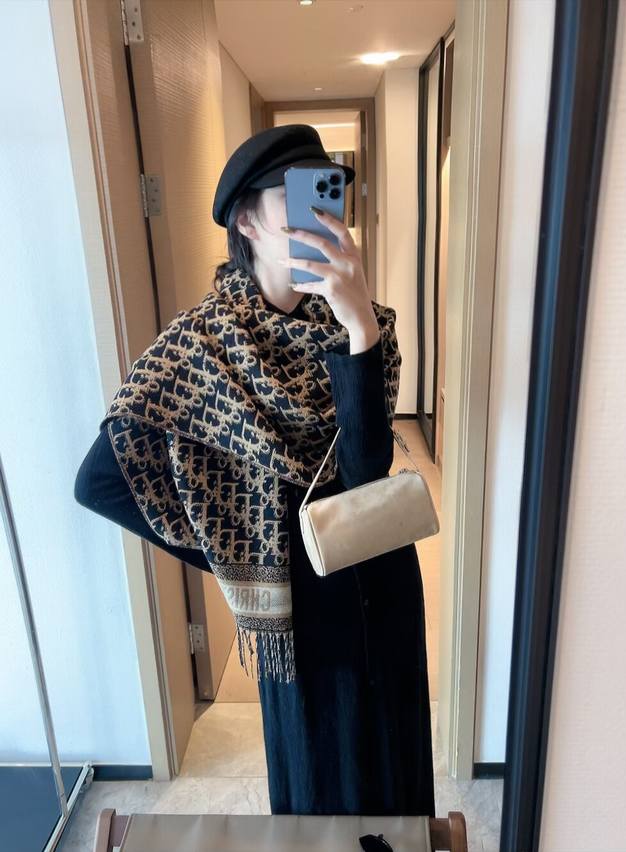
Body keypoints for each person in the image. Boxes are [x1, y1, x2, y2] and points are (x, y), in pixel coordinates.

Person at [74, 124, 435, 817]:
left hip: (383, 578)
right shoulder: (202, 345)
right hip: (302, 610)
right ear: (247, 220)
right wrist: (239, 551)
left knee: (398, 774)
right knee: (319, 787)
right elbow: (101, 481)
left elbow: (366, 471)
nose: (320, 217)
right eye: (299, 199)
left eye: (330, 196)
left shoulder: (367, 323)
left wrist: (359, 329)